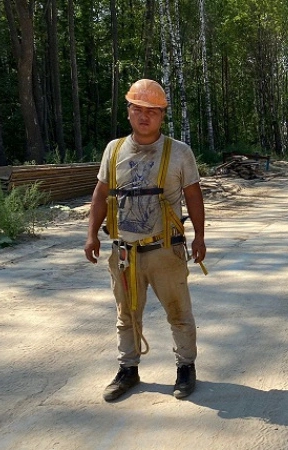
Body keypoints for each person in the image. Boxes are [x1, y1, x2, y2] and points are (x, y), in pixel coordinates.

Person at [84, 79, 206, 401]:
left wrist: (199, 237)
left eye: (152, 111)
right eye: (137, 109)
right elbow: (100, 193)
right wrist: (91, 234)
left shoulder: (179, 152)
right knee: (126, 314)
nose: (144, 116)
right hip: (124, 252)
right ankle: (128, 369)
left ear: (162, 115)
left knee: (178, 312)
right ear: (128, 112)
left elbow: (194, 196)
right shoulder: (113, 150)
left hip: (165, 250)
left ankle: (186, 368)